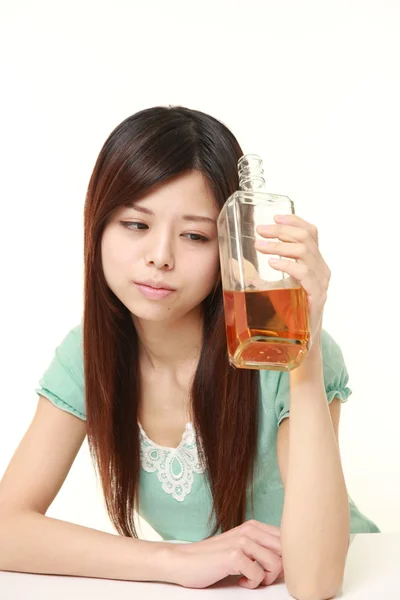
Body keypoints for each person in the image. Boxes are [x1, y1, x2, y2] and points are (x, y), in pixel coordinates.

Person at [0, 106, 379, 597]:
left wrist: (302, 342)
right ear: (98, 226)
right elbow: (7, 529)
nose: (160, 255)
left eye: (195, 235)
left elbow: (317, 584)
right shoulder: (87, 355)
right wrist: (175, 559)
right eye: (136, 225)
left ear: (230, 247)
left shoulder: (272, 345)